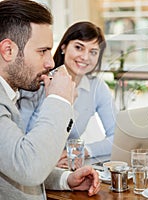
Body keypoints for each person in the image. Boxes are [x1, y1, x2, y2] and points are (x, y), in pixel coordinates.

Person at [0, 0, 100, 199]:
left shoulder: (9, 96)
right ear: (8, 50)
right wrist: (59, 100)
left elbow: (11, 166)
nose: (51, 62)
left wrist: (65, 179)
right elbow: (28, 167)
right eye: (42, 51)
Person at [18, 21, 118, 168]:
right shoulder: (38, 81)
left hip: (67, 167)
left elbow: (117, 137)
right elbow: (19, 138)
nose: (85, 57)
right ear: (64, 47)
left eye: (93, 52)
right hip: (31, 165)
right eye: (79, 47)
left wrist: (81, 151)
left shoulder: (96, 86)